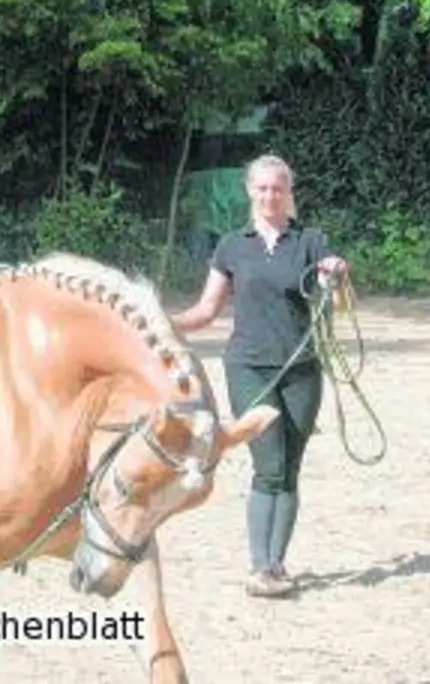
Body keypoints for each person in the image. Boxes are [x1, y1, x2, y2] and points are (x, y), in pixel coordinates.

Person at [169, 154, 350, 597]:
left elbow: (340, 304)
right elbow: (207, 309)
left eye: (278, 188)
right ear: (251, 192)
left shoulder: (311, 241)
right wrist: (164, 324)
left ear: (289, 193)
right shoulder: (232, 245)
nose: (271, 196)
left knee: (289, 468)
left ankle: (276, 563)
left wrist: (338, 276)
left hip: (302, 368)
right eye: (263, 188)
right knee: (268, 464)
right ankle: (260, 567)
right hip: (248, 366)